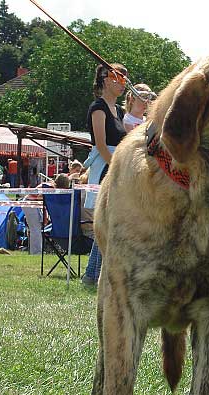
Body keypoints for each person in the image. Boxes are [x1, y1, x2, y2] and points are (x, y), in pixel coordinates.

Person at [82, 62, 128, 288]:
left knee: (109, 225)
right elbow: (101, 144)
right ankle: (94, 275)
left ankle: (91, 275)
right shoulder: (98, 108)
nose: (124, 84)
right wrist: (117, 168)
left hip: (117, 163)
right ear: (106, 80)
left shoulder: (119, 111)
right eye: (120, 78)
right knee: (107, 224)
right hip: (105, 167)